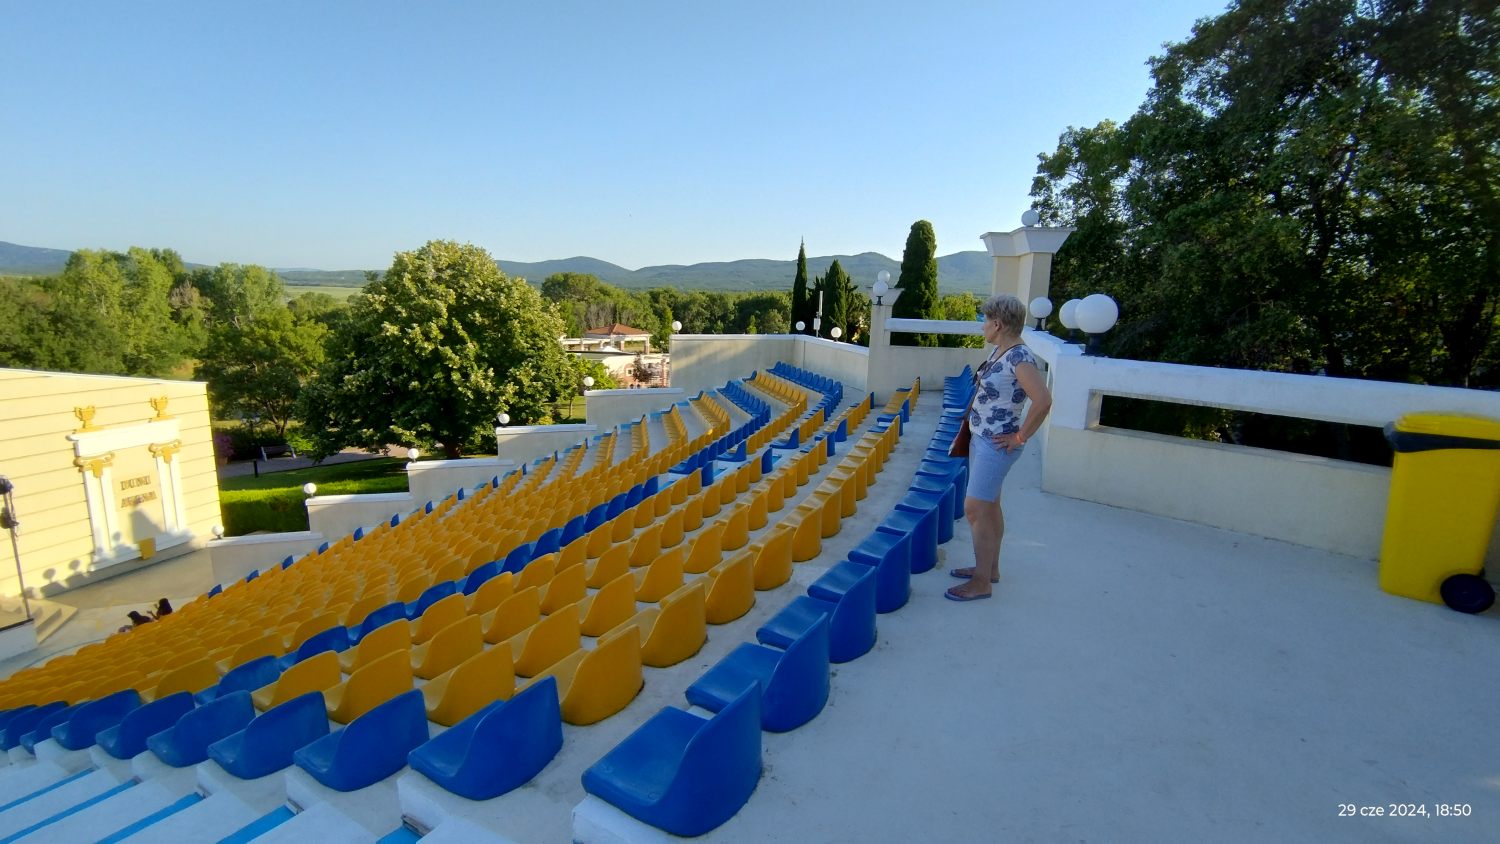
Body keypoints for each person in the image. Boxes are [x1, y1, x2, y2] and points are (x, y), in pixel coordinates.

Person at [947, 294, 1052, 601]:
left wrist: (1020, 437)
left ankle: (981, 582)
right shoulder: (1001, 350)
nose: (982, 326)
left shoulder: (1019, 357)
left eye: (985, 320)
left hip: (996, 444)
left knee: (975, 508)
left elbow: (1043, 401)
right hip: (982, 439)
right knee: (990, 507)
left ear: (997, 324)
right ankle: (989, 569)